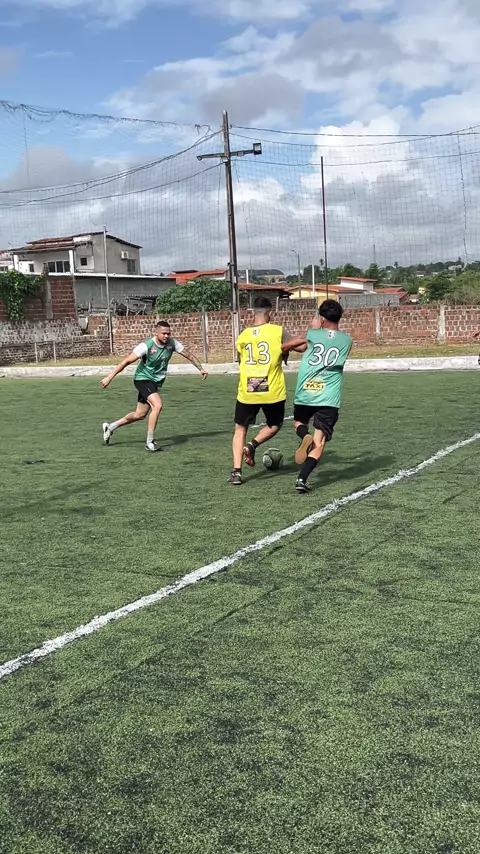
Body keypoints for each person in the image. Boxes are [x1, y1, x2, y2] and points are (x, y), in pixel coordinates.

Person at [100, 320, 208, 452]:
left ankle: (110, 427)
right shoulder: (146, 346)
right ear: (156, 332)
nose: (166, 336)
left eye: (168, 333)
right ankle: (149, 442)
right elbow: (126, 362)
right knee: (157, 405)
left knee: (140, 414)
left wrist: (200, 368)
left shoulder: (172, 344)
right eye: (163, 333)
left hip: (155, 382)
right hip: (142, 379)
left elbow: (189, 355)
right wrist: (109, 377)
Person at [282, 299, 352, 494]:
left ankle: (304, 436)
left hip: (306, 391)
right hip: (328, 396)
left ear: (321, 319)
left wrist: (285, 347)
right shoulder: (347, 341)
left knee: (298, 423)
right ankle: (302, 479)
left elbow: (299, 345)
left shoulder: (312, 334)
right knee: (319, 442)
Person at [229, 297, 292, 485]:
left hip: (248, 389)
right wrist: (286, 351)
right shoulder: (278, 331)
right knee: (275, 424)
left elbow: (241, 360)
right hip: (272, 389)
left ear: (253, 312)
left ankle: (236, 472)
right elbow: (301, 346)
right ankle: (253, 444)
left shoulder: (243, 335)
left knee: (240, 428)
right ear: (269, 312)